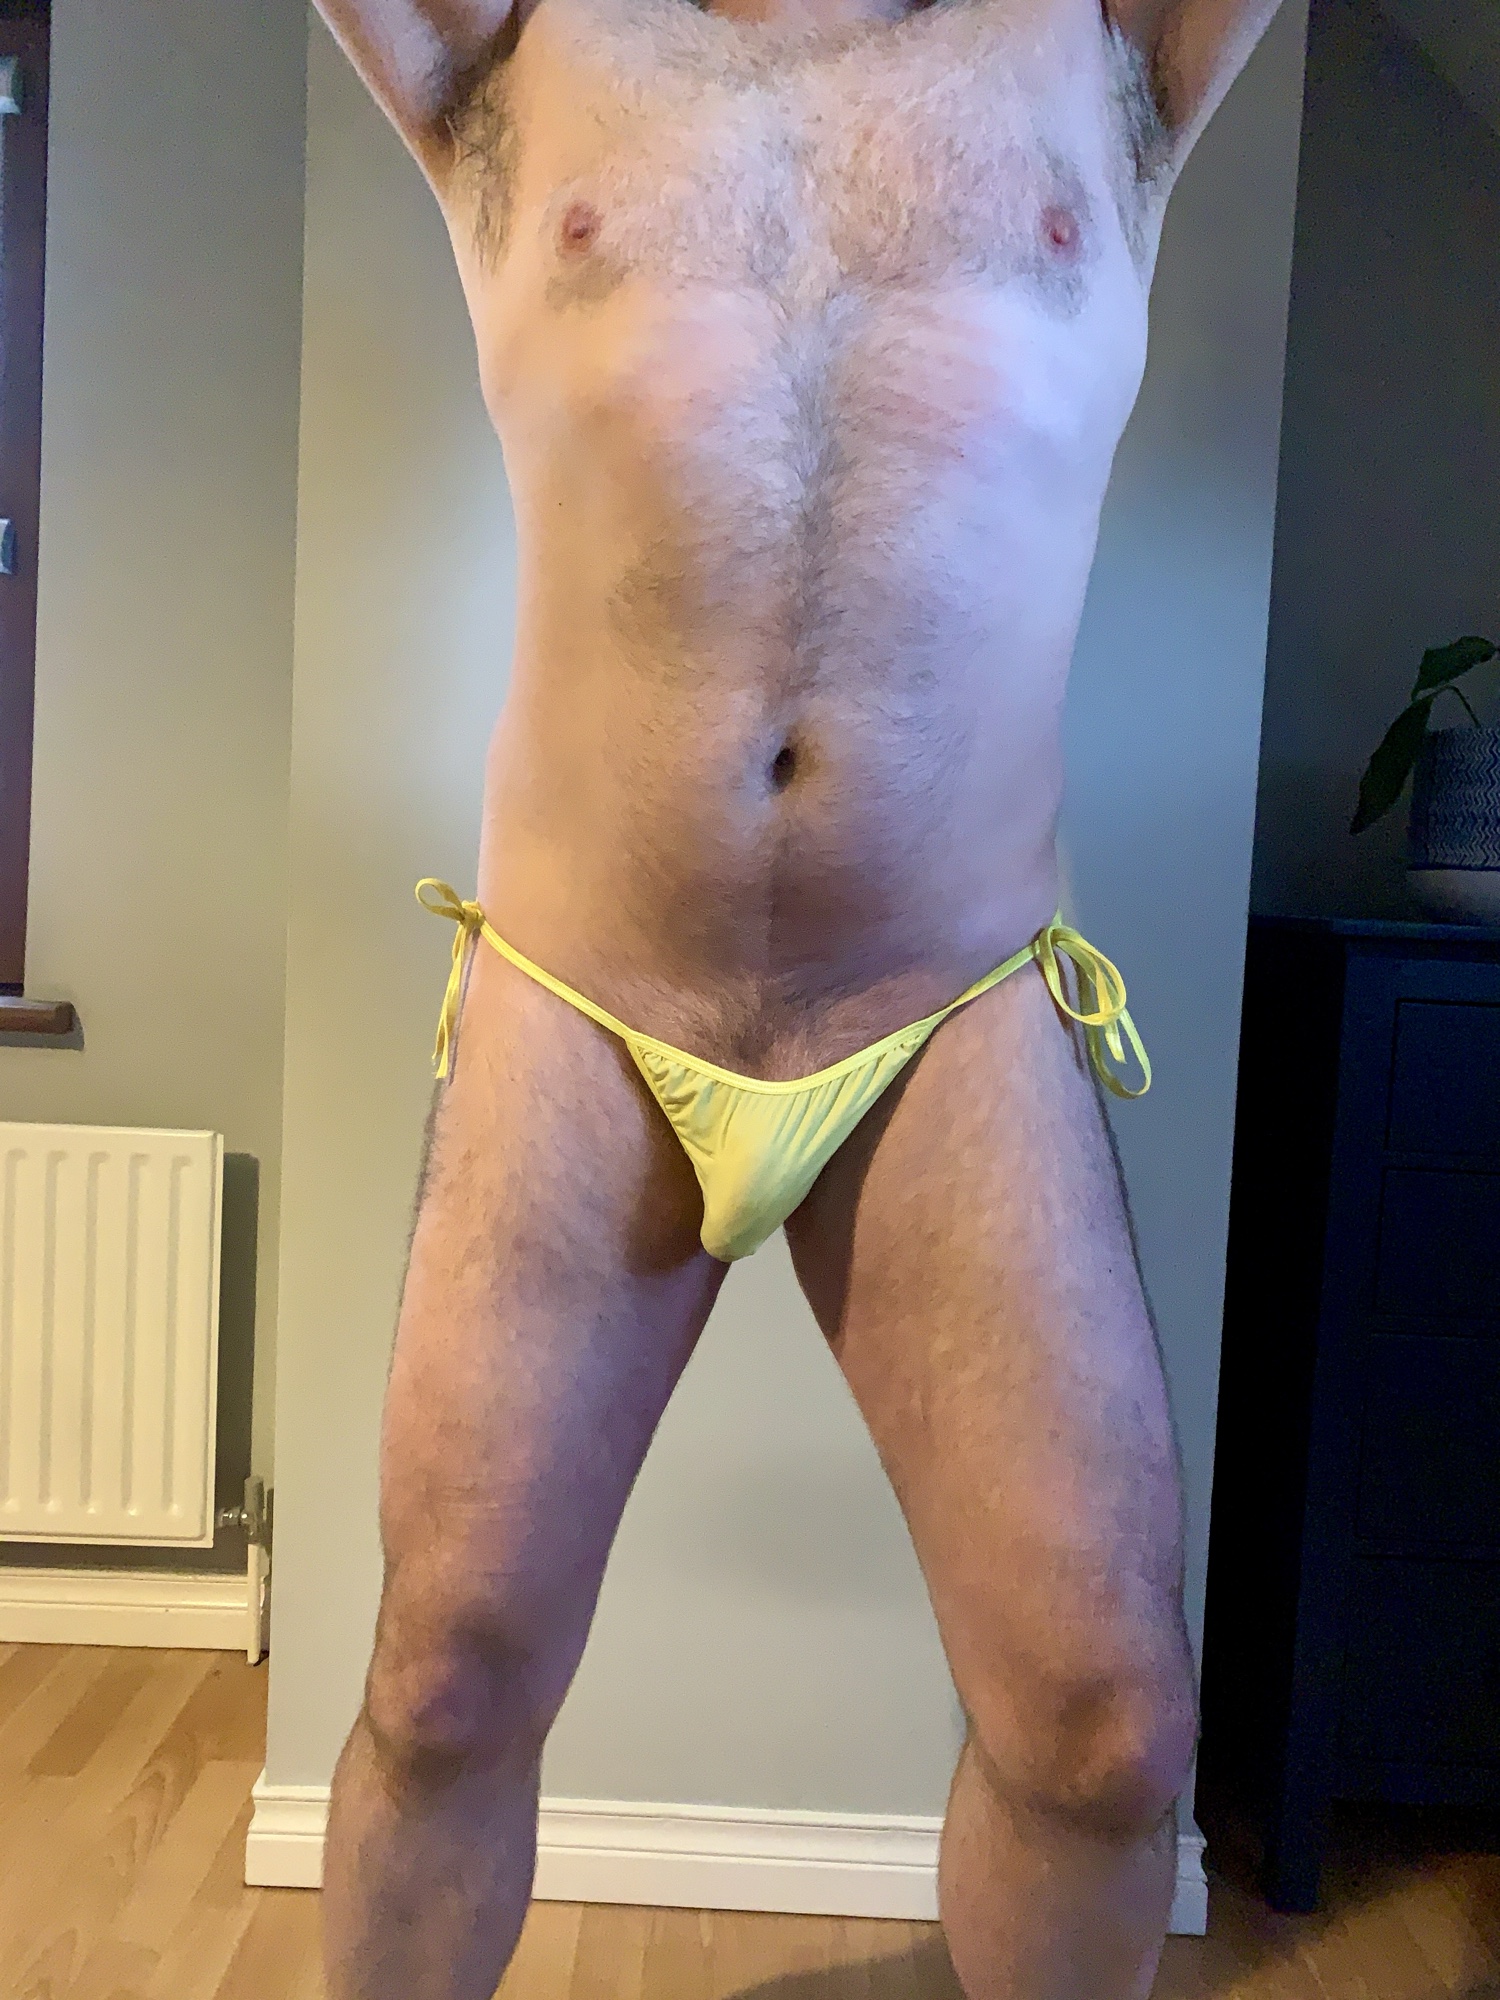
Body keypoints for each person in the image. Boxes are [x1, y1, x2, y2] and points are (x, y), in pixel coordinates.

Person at [312, 0, 1279, 1990]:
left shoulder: (1102, 45)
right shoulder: (516, 47)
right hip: (582, 994)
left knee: (1107, 1733)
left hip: (949, 998)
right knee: (443, 1683)